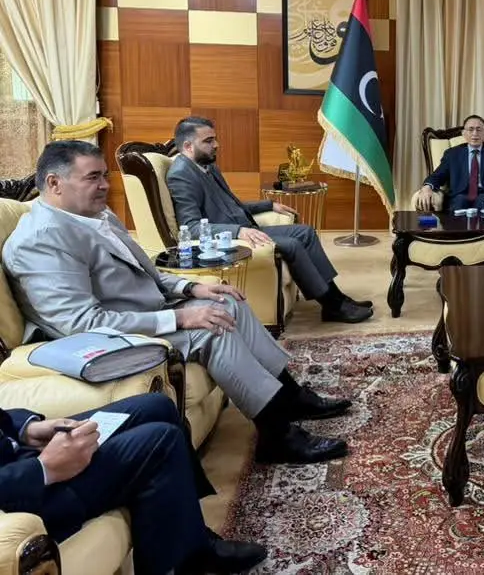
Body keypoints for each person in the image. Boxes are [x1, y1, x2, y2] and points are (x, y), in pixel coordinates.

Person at [3, 141, 350, 466]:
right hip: (98, 339)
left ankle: (289, 396)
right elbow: (81, 323)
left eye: (105, 175)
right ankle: (277, 435)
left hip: (138, 311)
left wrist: (191, 287)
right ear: (54, 183)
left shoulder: (94, 215)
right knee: (211, 329)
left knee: (226, 301)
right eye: (93, 177)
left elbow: (147, 272)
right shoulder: (42, 239)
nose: (105, 185)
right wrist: (179, 319)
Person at [0, 392, 266, 575]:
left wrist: (25, 428)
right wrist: (43, 469)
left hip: (17, 456)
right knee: (160, 443)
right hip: (20, 498)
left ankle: (195, 545)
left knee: (157, 407)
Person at [166, 117, 372, 324]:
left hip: (245, 228)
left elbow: (232, 205)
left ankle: (337, 298)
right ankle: (333, 306)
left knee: (306, 232)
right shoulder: (181, 175)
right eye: (208, 141)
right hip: (228, 241)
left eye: (215, 139)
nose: (216, 145)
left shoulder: (207, 167)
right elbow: (191, 227)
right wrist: (238, 232)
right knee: (292, 244)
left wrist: (269, 205)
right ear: (188, 146)